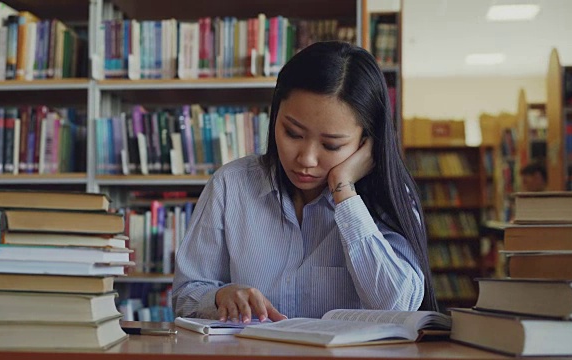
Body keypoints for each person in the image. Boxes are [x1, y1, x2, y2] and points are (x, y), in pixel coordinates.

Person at [173, 41, 437, 324]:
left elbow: (398, 306)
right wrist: (220, 297)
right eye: (293, 133)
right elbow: (185, 295)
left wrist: (344, 191)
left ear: (365, 142)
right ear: (275, 116)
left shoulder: (387, 195)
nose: (307, 159)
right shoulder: (231, 185)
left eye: (331, 145)